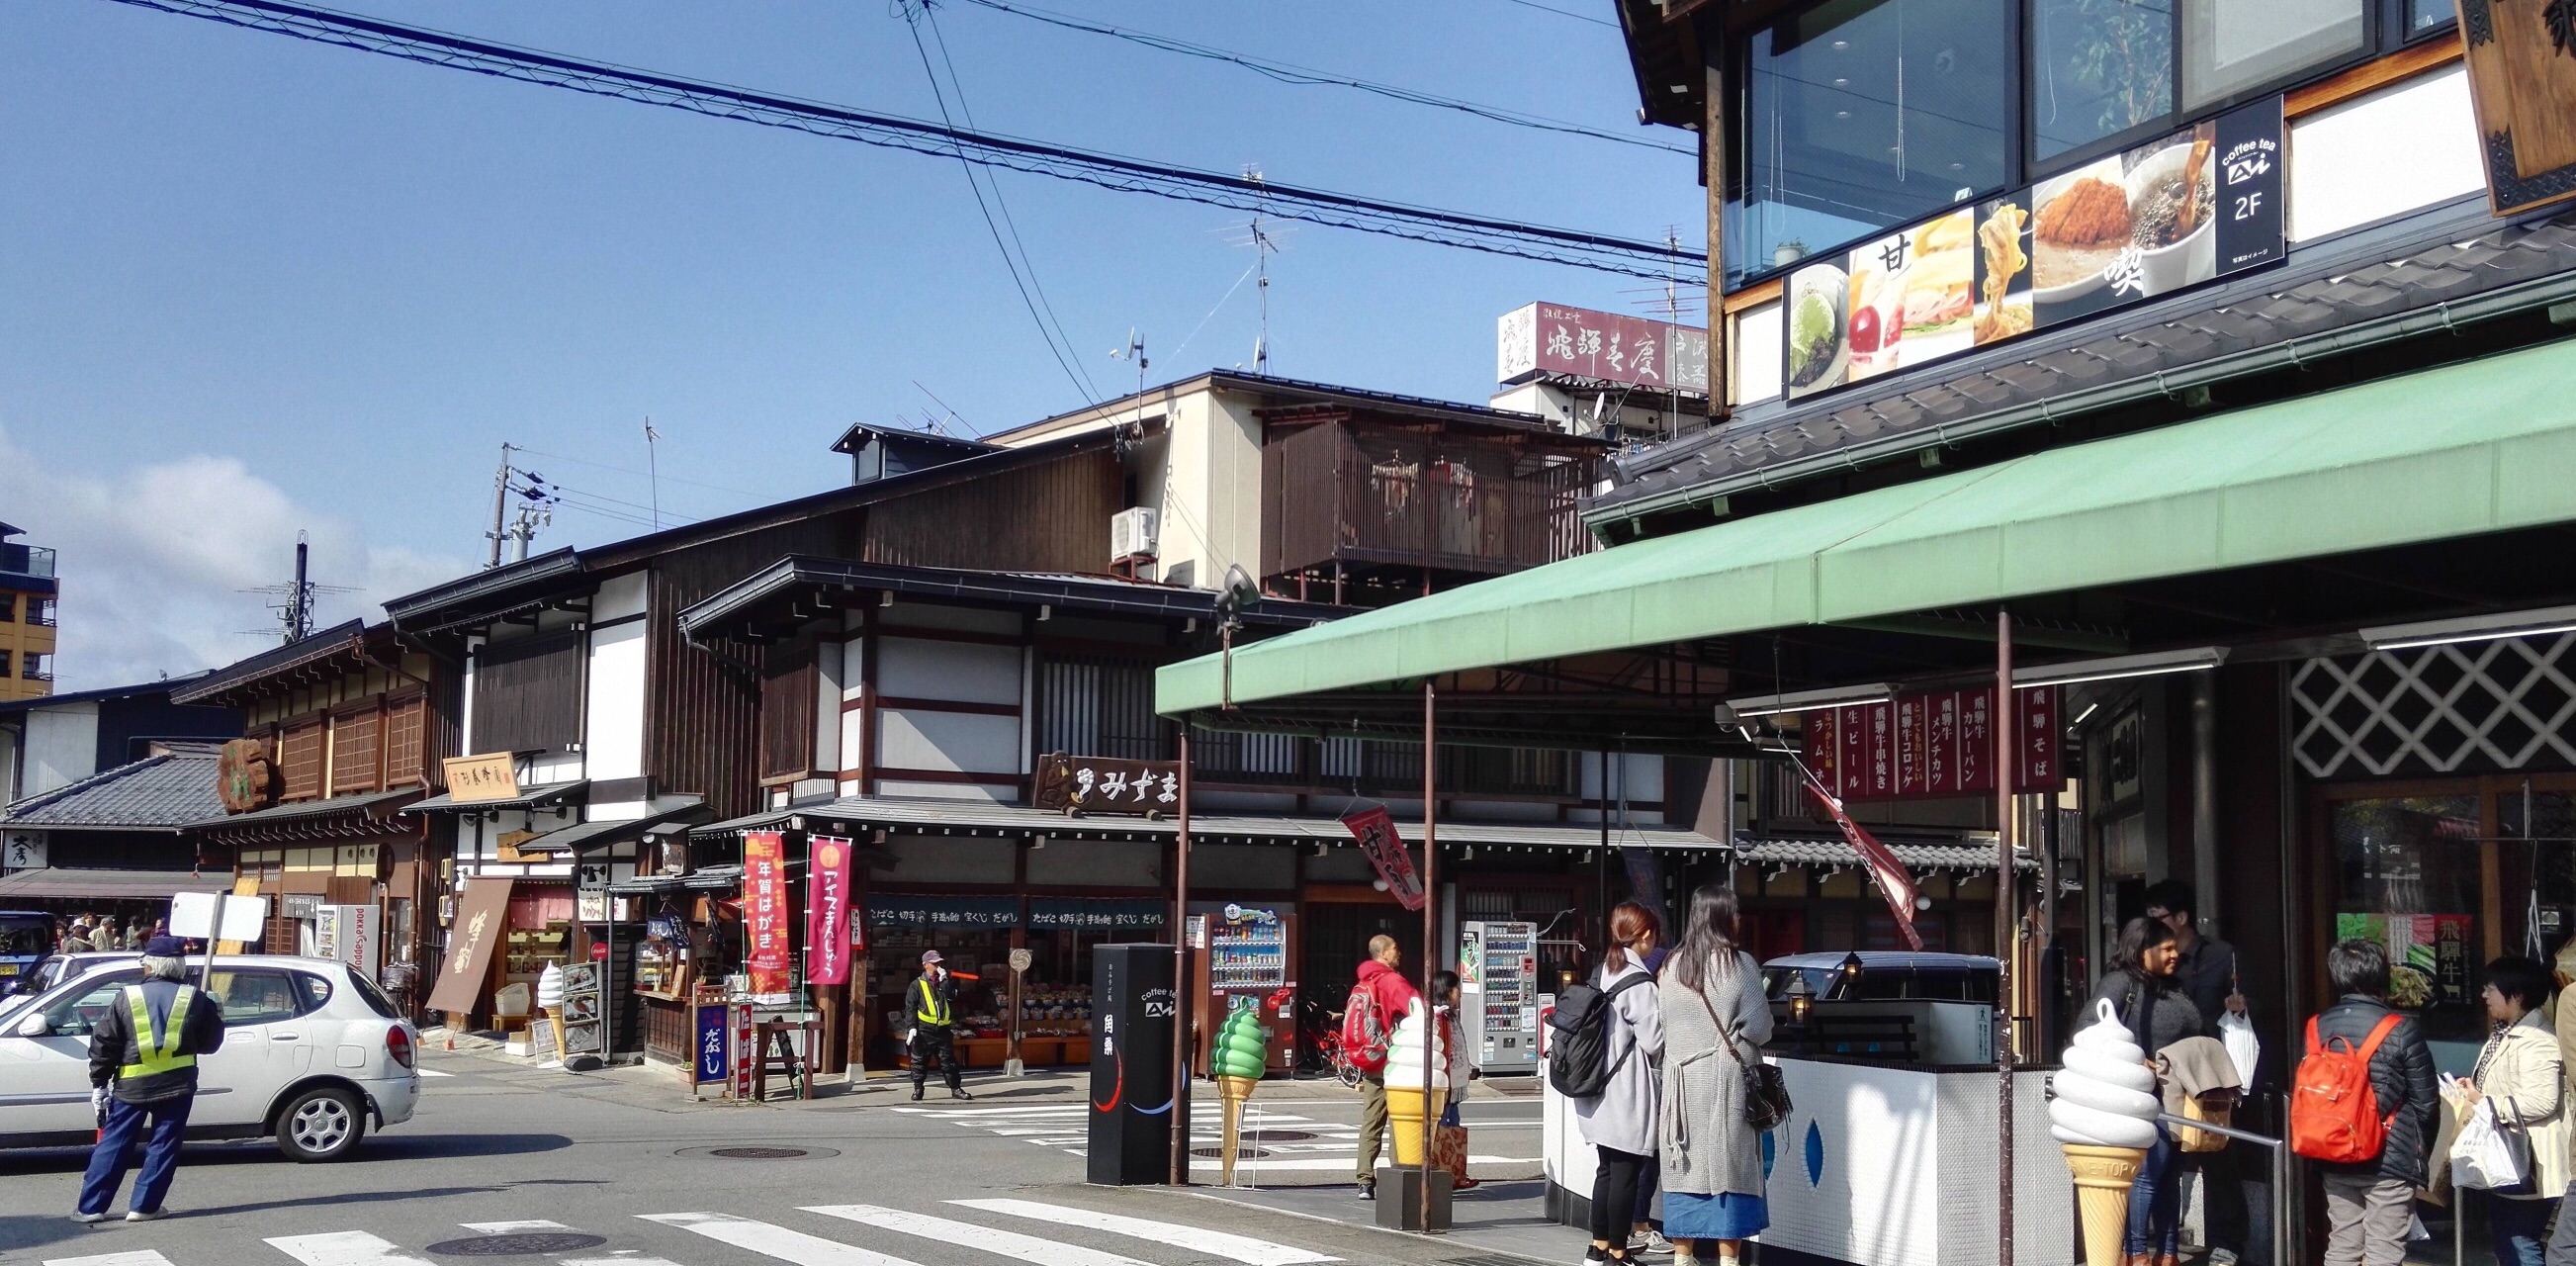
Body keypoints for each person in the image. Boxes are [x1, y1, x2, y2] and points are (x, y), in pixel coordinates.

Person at [1655, 883, 1771, 1266]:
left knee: (1683, 1166)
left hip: (1682, 1088)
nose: (1739, 919)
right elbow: (1760, 1027)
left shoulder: (1671, 966)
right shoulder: (1740, 965)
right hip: (1725, 1084)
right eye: (1735, 913)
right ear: (1723, 917)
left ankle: (1683, 1257)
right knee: (1728, 1169)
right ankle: (1727, 1261)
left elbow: (1663, 1028)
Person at [74, 936, 226, 1222]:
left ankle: (90, 1208)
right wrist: (215, 1013)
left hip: (131, 1087)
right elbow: (209, 1045)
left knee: (114, 1145)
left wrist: (99, 1084)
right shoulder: (194, 998)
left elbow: (104, 1044)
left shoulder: (127, 997)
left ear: (149, 966)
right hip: (177, 1085)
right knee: (164, 1144)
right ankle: (144, 1207)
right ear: (179, 966)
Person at [2312, 938, 2439, 1266]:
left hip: (2334, 1153)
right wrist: (2421, 1154)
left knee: (2342, 1245)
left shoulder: (2316, 1028)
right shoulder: (2401, 1029)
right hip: (2389, 1159)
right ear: (2382, 976)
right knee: (2384, 1249)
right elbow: (2427, 1104)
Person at [2142, 879, 2250, 1264]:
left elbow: (2247, 1007)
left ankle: (2229, 1242)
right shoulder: (2152, 957)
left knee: (2219, 1153)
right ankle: (2159, 1242)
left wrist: (2239, 1008)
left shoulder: (2222, 956)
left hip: (2208, 1072)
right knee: (2163, 1154)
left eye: (2159, 917)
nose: (2152, 925)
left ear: (2182, 917)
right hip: (2168, 1070)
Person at [2090, 915, 2207, 1266]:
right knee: (2147, 1176)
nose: (2175, 954)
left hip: (2176, 1097)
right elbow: (2087, 1030)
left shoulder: (2174, 986)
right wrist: (2133, 1060)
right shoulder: (2119, 983)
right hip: (2139, 1100)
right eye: (2166, 948)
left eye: (2176, 948)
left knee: (2171, 1178)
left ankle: (2168, 1254)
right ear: (2142, 950)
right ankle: (2136, 1253)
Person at [1576, 901, 1665, 1266]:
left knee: (1607, 1170)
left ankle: (1598, 1248)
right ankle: (1617, 1252)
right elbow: (1655, 1041)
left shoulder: (1603, 971)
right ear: (1645, 936)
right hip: (1625, 1089)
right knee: (1626, 1173)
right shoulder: (1638, 981)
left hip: (1595, 1086)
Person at [2461, 955, 2566, 1266]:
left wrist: (2483, 1101)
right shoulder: (2507, 1031)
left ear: (2516, 995)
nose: (2484, 996)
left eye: (2490, 989)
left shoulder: (2536, 1040)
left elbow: (2542, 1101)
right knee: (2511, 1242)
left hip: (2527, 1162)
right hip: (2506, 1160)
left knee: (2519, 1244)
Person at [1352, 934, 1422, 1201]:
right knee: (1401, 1119)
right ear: (1384, 954)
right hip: (1396, 1060)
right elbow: (1417, 1010)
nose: (1399, 953)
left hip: (1372, 1058)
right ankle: (1400, 1175)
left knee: (1371, 1121)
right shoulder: (1392, 981)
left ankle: (1364, 1182)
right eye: (1395, 949)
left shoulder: (1364, 981)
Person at [1429, 968, 1479, 1192]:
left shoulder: (1447, 1016)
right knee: (1446, 1130)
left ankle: (1451, 1172)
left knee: (1450, 1129)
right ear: (1447, 991)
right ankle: (1446, 1174)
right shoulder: (1440, 1017)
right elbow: (1444, 1051)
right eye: (1456, 988)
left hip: (1450, 1084)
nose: (1460, 992)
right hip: (1446, 1086)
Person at [906, 950, 971, 1102]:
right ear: (925, 965)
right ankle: (918, 1089)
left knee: (949, 1062)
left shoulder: (945, 981)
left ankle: (956, 1088)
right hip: (924, 1029)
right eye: (934, 963)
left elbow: (953, 997)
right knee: (919, 1062)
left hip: (943, 1030)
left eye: (939, 963)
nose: (938, 966)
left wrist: (945, 981)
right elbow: (910, 1007)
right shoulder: (916, 985)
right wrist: (911, 1027)